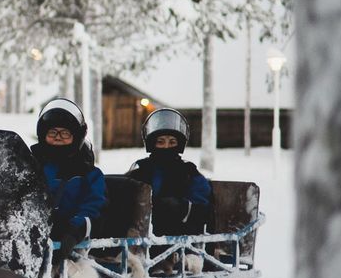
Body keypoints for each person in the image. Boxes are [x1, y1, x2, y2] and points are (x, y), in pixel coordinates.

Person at [30, 98, 106, 258]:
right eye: (52, 132)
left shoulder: (89, 174)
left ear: (76, 137)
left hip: (69, 243)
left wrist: (75, 230)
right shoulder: (30, 166)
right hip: (28, 238)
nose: (58, 137)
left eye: (65, 133)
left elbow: (94, 207)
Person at [125, 108, 212, 236]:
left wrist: (180, 207)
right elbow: (125, 193)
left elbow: (201, 203)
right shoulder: (141, 169)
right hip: (143, 231)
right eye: (160, 142)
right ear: (152, 143)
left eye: (172, 142)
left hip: (179, 234)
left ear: (179, 144)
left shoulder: (188, 171)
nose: (166, 146)